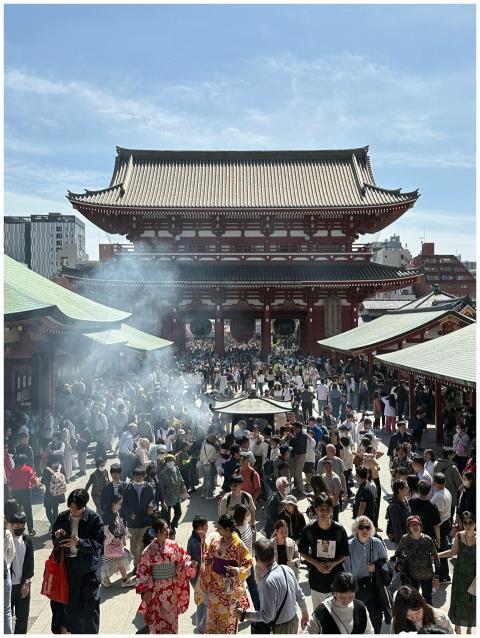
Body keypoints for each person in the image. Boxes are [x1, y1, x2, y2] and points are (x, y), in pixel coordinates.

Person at [52, 488, 105, 634]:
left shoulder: (94, 519)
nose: (73, 512)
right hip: (69, 568)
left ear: (84, 506)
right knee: (73, 607)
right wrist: (57, 535)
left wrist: (80, 543)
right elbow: (55, 537)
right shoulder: (63, 517)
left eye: (76, 509)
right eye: (71, 508)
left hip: (88, 570)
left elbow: (98, 544)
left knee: (90, 607)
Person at [234, 537, 308, 634]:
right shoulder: (287, 569)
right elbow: (299, 594)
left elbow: (266, 616)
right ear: (274, 554)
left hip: (281, 628)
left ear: (256, 559)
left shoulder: (267, 582)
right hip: (294, 621)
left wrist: (244, 615)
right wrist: (305, 612)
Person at [136, 517, 197, 634]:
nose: (168, 531)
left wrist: (189, 565)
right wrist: (147, 589)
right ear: (157, 532)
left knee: (171, 618)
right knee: (157, 619)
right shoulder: (149, 550)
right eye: (165, 530)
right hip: (156, 589)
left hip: (172, 589)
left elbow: (182, 560)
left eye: (168, 528)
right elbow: (142, 570)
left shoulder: (174, 545)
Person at [199, 514, 253, 634]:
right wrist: (204, 548)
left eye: (220, 528)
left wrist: (237, 571)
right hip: (214, 588)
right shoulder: (216, 540)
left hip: (229, 590)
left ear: (227, 529)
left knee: (228, 621)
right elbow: (208, 557)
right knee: (211, 621)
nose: (217, 530)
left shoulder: (238, 544)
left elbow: (248, 562)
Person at [298, 493, 349, 608]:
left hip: (336, 580)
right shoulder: (309, 529)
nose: (324, 512)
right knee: (320, 614)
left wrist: (333, 563)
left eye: (327, 509)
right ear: (316, 510)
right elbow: (302, 551)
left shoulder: (339, 530)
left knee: (337, 615)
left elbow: (345, 553)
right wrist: (316, 564)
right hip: (317, 581)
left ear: (331, 510)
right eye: (321, 509)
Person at [343, 515, 389, 633]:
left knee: (376, 619)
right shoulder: (349, 545)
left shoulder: (377, 543)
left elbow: (385, 562)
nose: (364, 530)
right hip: (356, 589)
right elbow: (345, 569)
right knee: (357, 621)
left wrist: (376, 567)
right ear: (356, 529)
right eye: (361, 527)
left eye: (367, 527)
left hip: (374, 587)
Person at [437, 511, 476, 634]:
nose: (468, 525)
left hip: (473, 577)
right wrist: (437, 555)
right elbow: (452, 552)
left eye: (471, 522)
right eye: (465, 523)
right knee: (458, 601)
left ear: (475, 523)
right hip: (459, 575)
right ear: (462, 524)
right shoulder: (459, 536)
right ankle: (458, 628)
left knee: (471, 602)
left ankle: (469, 629)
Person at [303, 571, 374, 634]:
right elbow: (308, 632)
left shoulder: (360, 607)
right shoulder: (323, 610)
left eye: (351, 597)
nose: (346, 601)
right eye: (342, 597)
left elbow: (369, 631)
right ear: (334, 592)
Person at [395, 515, 440, 605]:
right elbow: (398, 553)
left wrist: (437, 577)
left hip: (427, 575)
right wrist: (401, 563)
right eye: (412, 525)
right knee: (413, 599)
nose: (415, 527)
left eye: (417, 524)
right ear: (408, 528)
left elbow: (436, 558)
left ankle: (428, 618)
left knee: (428, 600)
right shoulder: (404, 539)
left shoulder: (427, 539)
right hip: (411, 576)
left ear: (421, 526)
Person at [100, 494, 135, 588]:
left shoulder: (116, 512)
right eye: (119, 503)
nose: (120, 505)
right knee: (108, 561)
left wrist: (123, 537)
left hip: (117, 542)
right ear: (113, 503)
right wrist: (111, 539)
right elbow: (104, 530)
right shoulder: (106, 515)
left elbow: (120, 524)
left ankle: (123, 580)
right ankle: (108, 579)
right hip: (110, 543)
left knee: (120, 559)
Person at [122, 467, 155, 567]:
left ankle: (141, 565)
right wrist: (129, 513)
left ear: (144, 477)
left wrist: (151, 505)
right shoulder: (127, 488)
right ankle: (136, 564)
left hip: (145, 521)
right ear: (133, 476)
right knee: (133, 546)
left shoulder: (149, 487)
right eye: (136, 476)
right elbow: (124, 504)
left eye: (140, 476)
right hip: (132, 523)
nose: (138, 478)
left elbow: (153, 499)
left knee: (142, 545)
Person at [10, 513, 34, 634]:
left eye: (22, 526)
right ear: (11, 525)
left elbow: (30, 564)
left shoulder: (27, 540)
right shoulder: (5, 541)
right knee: (6, 618)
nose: (19, 528)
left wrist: (27, 582)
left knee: (22, 619)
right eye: (17, 525)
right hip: (7, 587)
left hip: (23, 586)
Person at [10, 454, 43, 536]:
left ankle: (17, 529)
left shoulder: (13, 471)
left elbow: (10, 483)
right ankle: (31, 530)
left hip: (15, 492)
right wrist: (40, 488)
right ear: (24, 461)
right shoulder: (28, 469)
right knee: (28, 512)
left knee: (17, 512)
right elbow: (33, 481)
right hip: (26, 492)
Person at [187, 515, 209, 634]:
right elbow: (203, 560)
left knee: (202, 601)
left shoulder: (194, 538)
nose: (207, 527)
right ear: (200, 528)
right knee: (202, 603)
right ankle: (201, 628)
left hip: (196, 577)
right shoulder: (196, 543)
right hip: (198, 578)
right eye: (206, 525)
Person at [158, 454, 188, 536]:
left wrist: (183, 486)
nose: (170, 462)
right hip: (167, 499)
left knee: (178, 513)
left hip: (176, 497)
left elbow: (181, 479)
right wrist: (162, 500)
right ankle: (167, 532)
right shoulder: (162, 473)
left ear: (174, 462)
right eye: (168, 461)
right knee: (166, 518)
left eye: (171, 461)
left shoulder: (176, 469)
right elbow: (161, 488)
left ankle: (172, 526)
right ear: (165, 462)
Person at [430, 472, 453, 582]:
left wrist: (437, 534)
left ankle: (443, 575)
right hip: (445, 523)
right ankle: (443, 574)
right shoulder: (445, 491)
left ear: (436, 483)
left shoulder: (439, 496)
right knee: (442, 550)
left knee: (440, 551)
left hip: (441, 526)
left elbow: (437, 517)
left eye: (433, 481)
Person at [409, 480, 441, 546]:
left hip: (413, 534)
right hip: (428, 537)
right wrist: (438, 539)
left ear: (418, 489)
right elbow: (436, 525)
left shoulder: (411, 502)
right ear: (429, 491)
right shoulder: (433, 506)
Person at [434, 447, 463, 520]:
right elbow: (460, 484)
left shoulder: (436, 464)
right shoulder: (453, 468)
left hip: (437, 494)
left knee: (438, 518)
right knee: (449, 519)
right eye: (453, 454)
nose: (454, 455)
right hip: (450, 498)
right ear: (449, 455)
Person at [41, 462, 67, 530]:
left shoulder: (47, 470)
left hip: (49, 494)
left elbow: (42, 481)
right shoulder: (60, 468)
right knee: (55, 509)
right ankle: (55, 524)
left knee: (48, 510)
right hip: (58, 494)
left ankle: (52, 524)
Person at [386, 479, 411, 545]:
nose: (409, 488)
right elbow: (397, 528)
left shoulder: (404, 500)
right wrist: (400, 545)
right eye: (406, 487)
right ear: (400, 490)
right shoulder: (394, 507)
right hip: (401, 540)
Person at [290, 421, 308, 494]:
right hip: (296, 455)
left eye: (295, 428)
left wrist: (292, 439)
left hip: (301, 455)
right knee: (295, 472)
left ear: (299, 428)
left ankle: (301, 489)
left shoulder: (303, 435)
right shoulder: (297, 434)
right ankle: (298, 487)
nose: (294, 429)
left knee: (298, 472)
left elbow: (298, 446)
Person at [199, 433, 219, 500]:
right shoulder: (212, 448)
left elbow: (201, 456)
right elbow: (215, 457)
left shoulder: (203, 446)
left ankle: (203, 493)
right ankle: (208, 495)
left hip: (204, 464)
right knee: (209, 480)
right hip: (209, 465)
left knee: (205, 480)